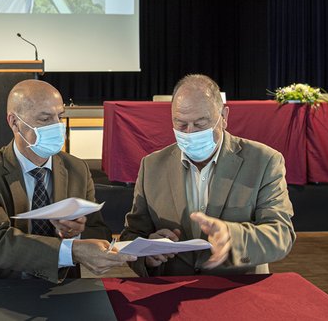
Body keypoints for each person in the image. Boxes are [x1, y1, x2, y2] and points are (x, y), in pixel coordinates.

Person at [0, 80, 135, 282]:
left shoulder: (77, 169)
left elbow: (98, 231)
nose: (57, 127)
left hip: (60, 284)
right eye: (45, 119)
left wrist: (74, 234)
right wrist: (72, 251)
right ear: (14, 122)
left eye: (60, 117)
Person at [121, 74, 295, 276]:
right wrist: (146, 254)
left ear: (224, 117)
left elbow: (281, 235)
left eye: (200, 124)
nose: (190, 133)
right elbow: (132, 234)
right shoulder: (152, 166)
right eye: (181, 124)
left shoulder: (264, 161)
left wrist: (233, 237)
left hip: (237, 290)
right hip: (172, 291)